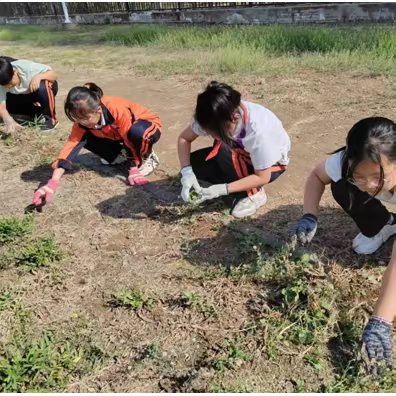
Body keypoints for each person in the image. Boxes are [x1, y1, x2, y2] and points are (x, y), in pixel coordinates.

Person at [291, 117, 396, 370]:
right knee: (341, 186)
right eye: (360, 176)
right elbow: (317, 176)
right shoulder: (346, 163)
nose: (369, 186)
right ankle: (384, 225)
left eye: (378, 176)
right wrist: (309, 215)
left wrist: (381, 319)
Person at [32, 82, 161, 207]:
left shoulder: (116, 108)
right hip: (115, 134)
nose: (83, 122)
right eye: (78, 119)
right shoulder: (82, 123)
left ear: (98, 110)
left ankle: (147, 156)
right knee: (82, 137)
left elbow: (128, 136)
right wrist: (52, 184)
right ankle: (121, 154)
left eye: (86, 118)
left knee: (137, 133)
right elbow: (69, 149)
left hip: (144, 127)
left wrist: (133, 168)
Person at [177, 81, 291, 218]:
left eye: (216, 131)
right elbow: (184, 139)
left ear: (234, 119)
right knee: (195, 165)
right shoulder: (211, 113)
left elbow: (263, 176)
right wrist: (187, 172)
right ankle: (232, 178)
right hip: (238, 152)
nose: (213, 135)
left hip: (272, 166)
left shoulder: (258, 131)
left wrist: (222, 189)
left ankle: (254, 194)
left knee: (224, 151)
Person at [0, 56, 58, 132]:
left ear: (15, 71)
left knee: (43, 86)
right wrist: (8, 120)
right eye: (4, 85)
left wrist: (39, 77)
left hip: (39, 92)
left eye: (10, 83)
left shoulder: (28, 68)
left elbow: (53, 74)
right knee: (7, 107)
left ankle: (50, 119)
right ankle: (35, 113)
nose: (8, 86)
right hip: (21, 96)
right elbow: (1, 104)